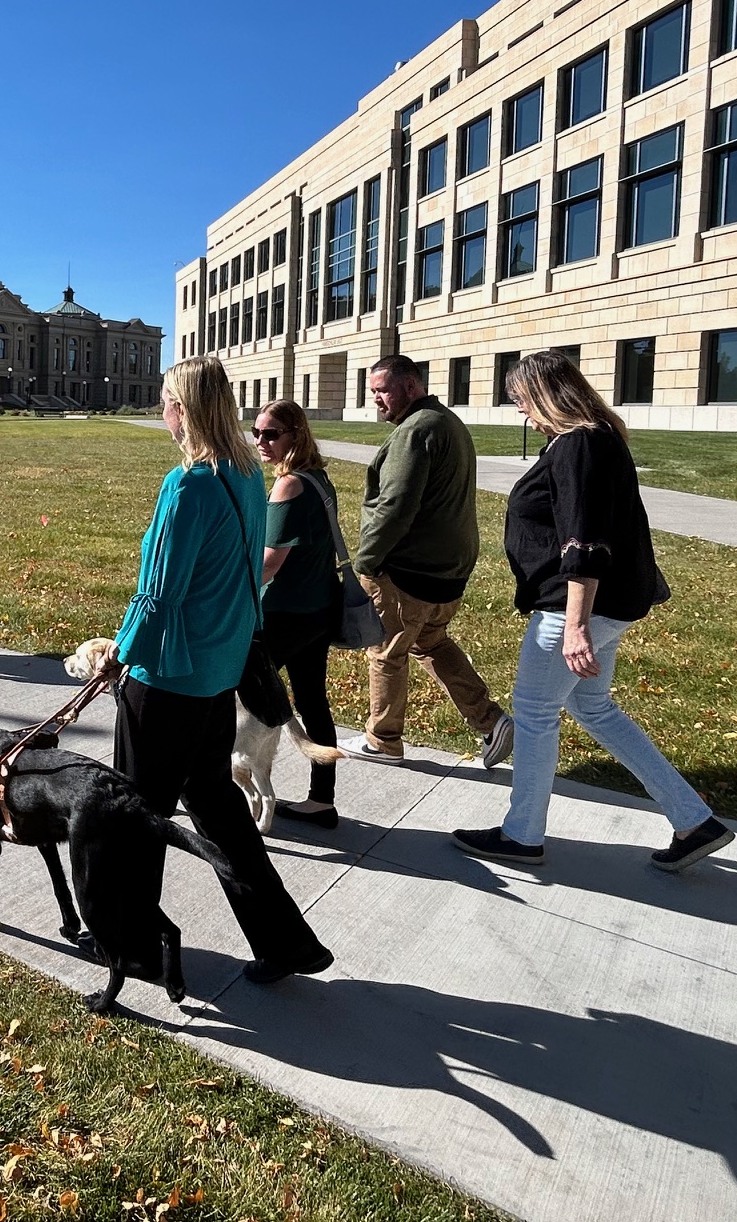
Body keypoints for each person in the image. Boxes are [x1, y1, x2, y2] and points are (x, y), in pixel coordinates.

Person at [454, 349, 734, 871]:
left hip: (574, 608)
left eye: (521, 400)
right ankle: (694, 821)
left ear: (544, 395)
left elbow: (584, 540)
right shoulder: (596, 438)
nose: (521, 412)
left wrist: (576, 626)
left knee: (535, 714)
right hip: (604, 607)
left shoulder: (578, 444)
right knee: (593, 707)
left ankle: (521, 836)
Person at [102, 355, 332, 985]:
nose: (162, 411)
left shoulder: (190, 484)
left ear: (183, 409)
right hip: (217, 673)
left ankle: (138, 944)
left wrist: (120, 653)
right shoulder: (246, 474)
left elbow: (159, 594)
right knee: (218, 809)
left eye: (166, 401)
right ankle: (285, 940)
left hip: (169, 676)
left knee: (136, 812)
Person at [344, 355, 512, 769]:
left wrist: (366, 563)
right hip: (448, 570)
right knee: (430, 642)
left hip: (409, 572)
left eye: (382, 390)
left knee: (386, 652)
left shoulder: (417, 429)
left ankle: (382, 740)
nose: (377, 400)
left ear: (411, 387)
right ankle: (491, 721)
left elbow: (395, 506)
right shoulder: (446, 421)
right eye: (373, 393)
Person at [252, 398, 341, 829]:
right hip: (319, 611)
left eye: (271, 434)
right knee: (312, 701)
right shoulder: (320, 479)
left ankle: (208, 784)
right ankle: (321, 800)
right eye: (256, 433)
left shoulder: (289, 485)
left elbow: (270, 560)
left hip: (284, 614)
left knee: (231, 694)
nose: (260, 442)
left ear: (296, 435)